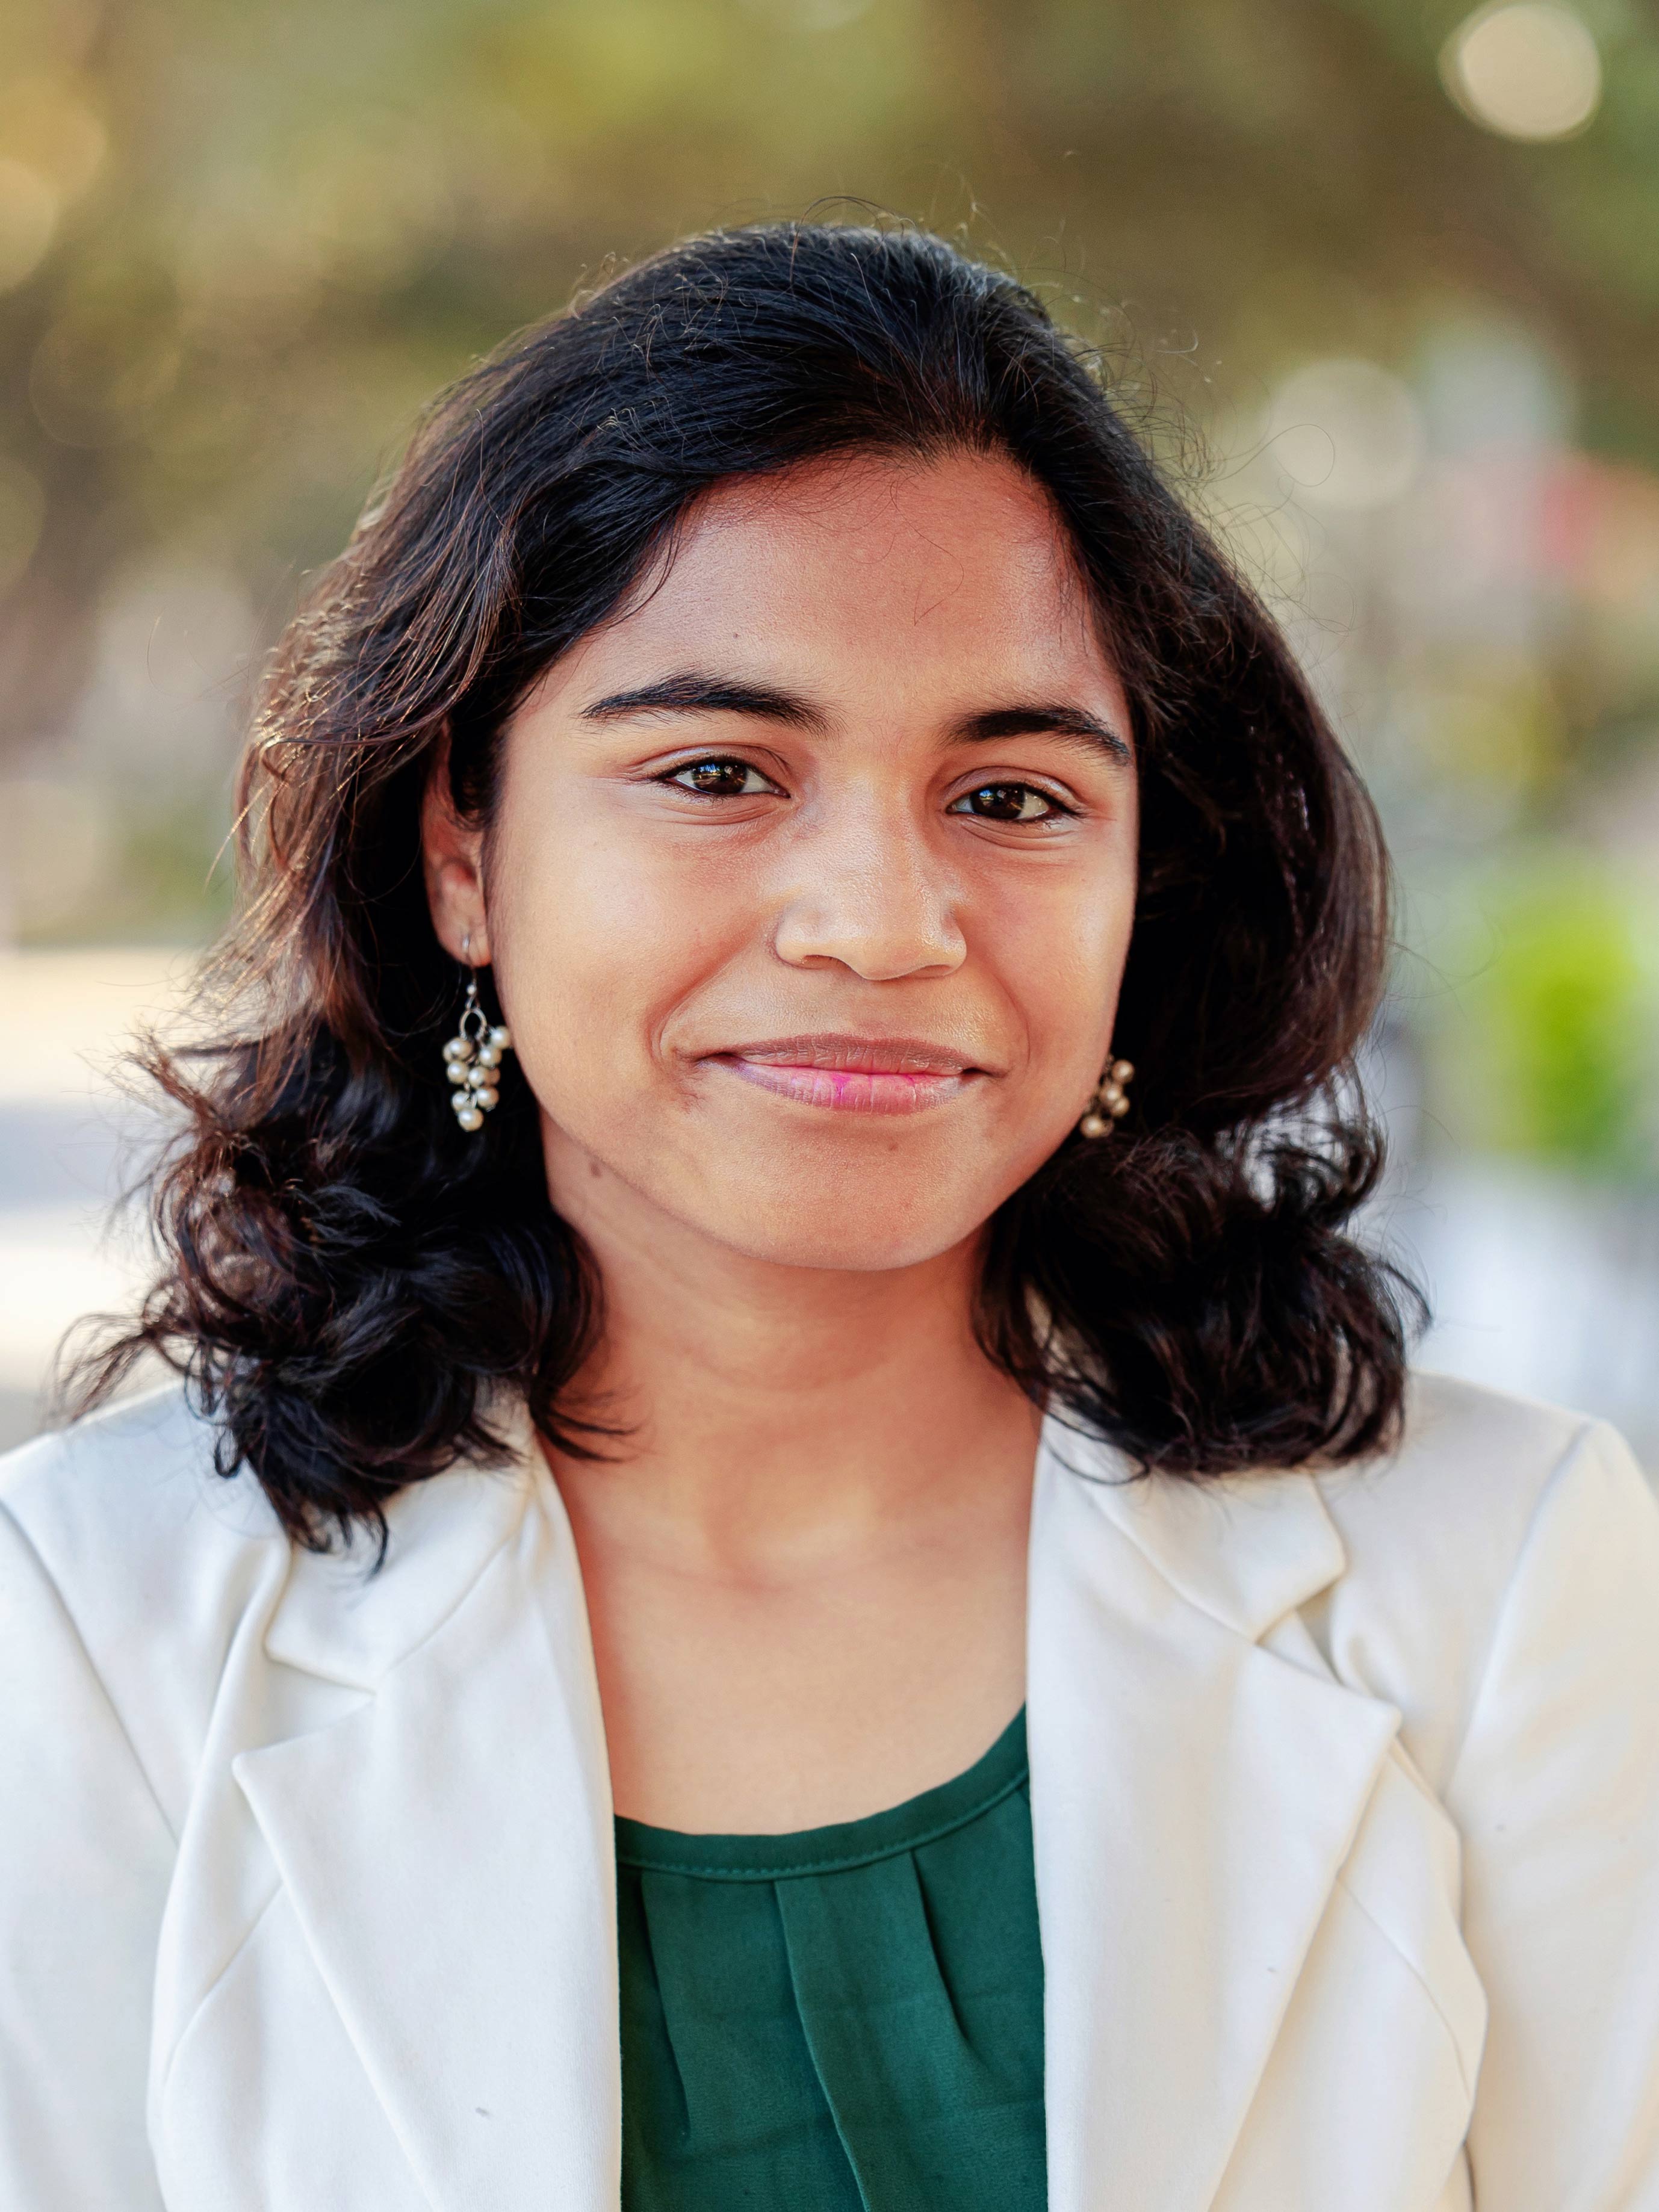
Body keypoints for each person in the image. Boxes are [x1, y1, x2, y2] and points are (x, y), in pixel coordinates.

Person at [2, 222, 1656, 2212]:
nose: (879, 922)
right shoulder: (88, 1624)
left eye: (1015, 796)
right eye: (718, 769)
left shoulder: (1505, 1581)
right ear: (463, 847)